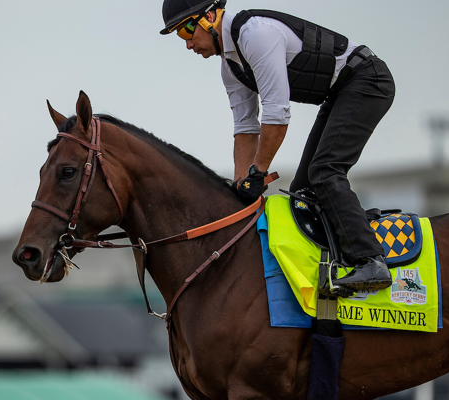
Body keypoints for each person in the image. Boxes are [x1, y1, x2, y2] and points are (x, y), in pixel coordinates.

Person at [160, 0, 396, 294]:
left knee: (324, 172)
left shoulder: (256, 35)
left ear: (209, 17)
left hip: (367, 80)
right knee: (303, 190)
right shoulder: (230, 67)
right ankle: (338, 262)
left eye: (186, 31)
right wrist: (239, 189)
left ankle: (371, 262)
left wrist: (257, 172)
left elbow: (276, 114)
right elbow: (245, 129)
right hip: (340, 92)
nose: (188, 44)